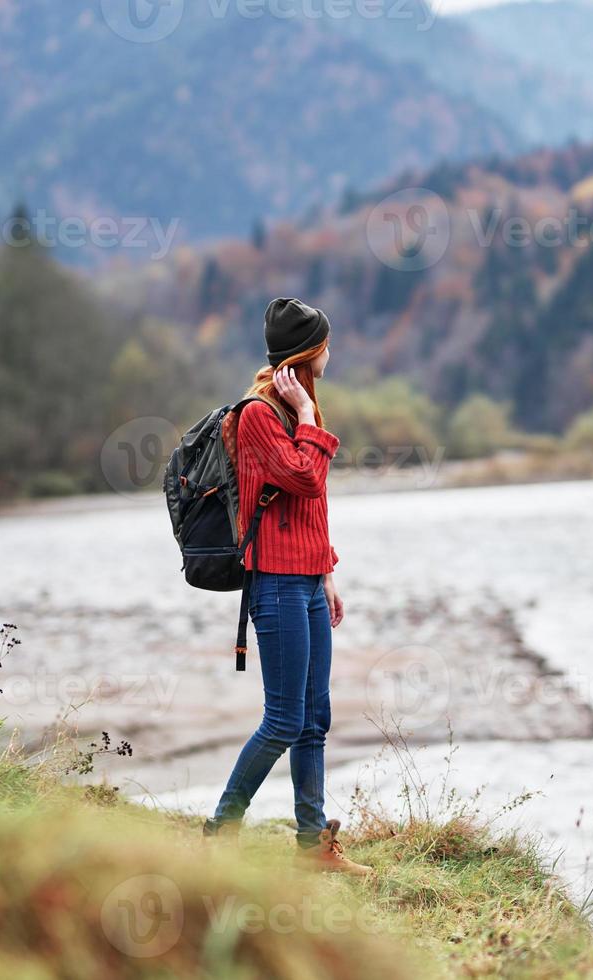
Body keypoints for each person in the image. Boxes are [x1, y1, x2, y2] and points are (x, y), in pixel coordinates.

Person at [202, 298, 371, 876]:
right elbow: (302, 475)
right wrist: (303, 413)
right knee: (283, 720)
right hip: (273, 584)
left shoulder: (297, 408)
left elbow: (313, 502)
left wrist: (326, 572)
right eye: (326, 342)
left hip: (305, 582)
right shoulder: (258, 414)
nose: (332, 351)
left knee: (315, 718)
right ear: (306, 352)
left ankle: (312, 849)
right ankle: (218, 829)